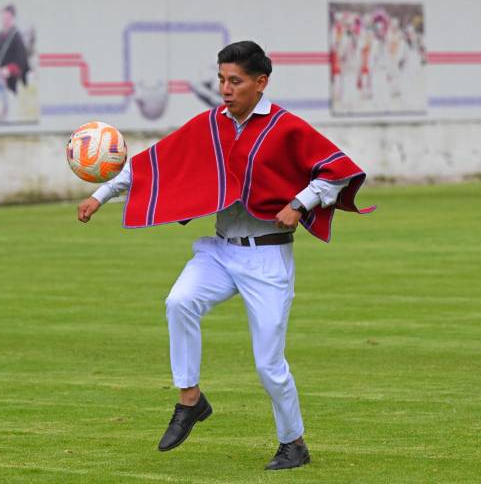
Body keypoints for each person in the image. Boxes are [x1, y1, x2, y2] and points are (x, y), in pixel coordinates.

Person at [77, 41, 375, 471]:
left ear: (261, 82)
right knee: (179, 302)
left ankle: (293, 444)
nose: (225, 89)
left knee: (269, 366)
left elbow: (336, 172)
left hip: (267, 257)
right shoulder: (210, 125)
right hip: (219, 252)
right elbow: (149, 166)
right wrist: (100, 195)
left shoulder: (286, 127)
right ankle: (190, 399)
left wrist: (300, 204)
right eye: (221, 79)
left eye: (235, 80)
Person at [0, 4, 29, 93]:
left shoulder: (16, 36)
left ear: (11, 16)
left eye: (6, 15)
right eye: (3, 15)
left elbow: (22, 62)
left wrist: (9, 69)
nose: (3, 17)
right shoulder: (0, 35)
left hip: (12, 83)